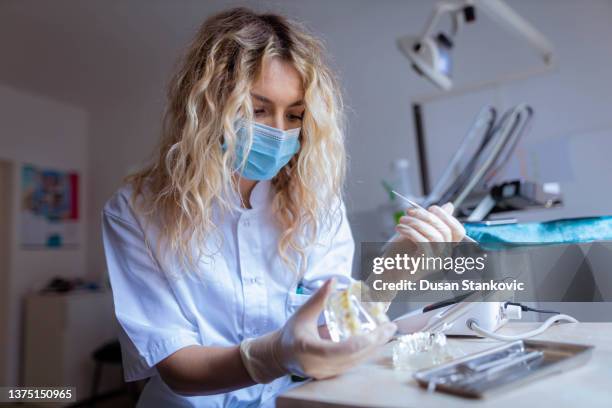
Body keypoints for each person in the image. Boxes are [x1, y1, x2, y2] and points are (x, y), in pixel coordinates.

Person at [101, 7, 466, 407]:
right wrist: (271, 356)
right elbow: (174, 364)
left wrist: (391, 275)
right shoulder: (136, 210)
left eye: (294, 115)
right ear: (208, 105)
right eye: (258, 110)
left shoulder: (316, 202)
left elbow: (334, 330)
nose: (278, 131)